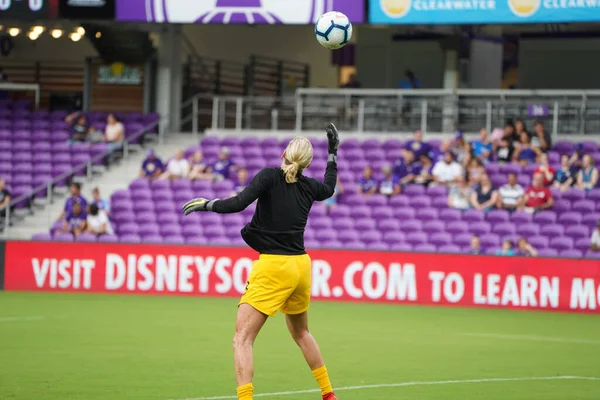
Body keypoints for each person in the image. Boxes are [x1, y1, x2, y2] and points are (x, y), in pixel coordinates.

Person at [182, 125, 341, 400]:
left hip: (274, 267)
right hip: (301, 266)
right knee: (302, 333)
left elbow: (237, 204)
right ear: (306, 164)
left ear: (283, 154)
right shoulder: (309, 187)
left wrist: (207, 204)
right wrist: (333, 153)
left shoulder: (269, 176)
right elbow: (329, 187)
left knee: (241, 339)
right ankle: (328, 395)